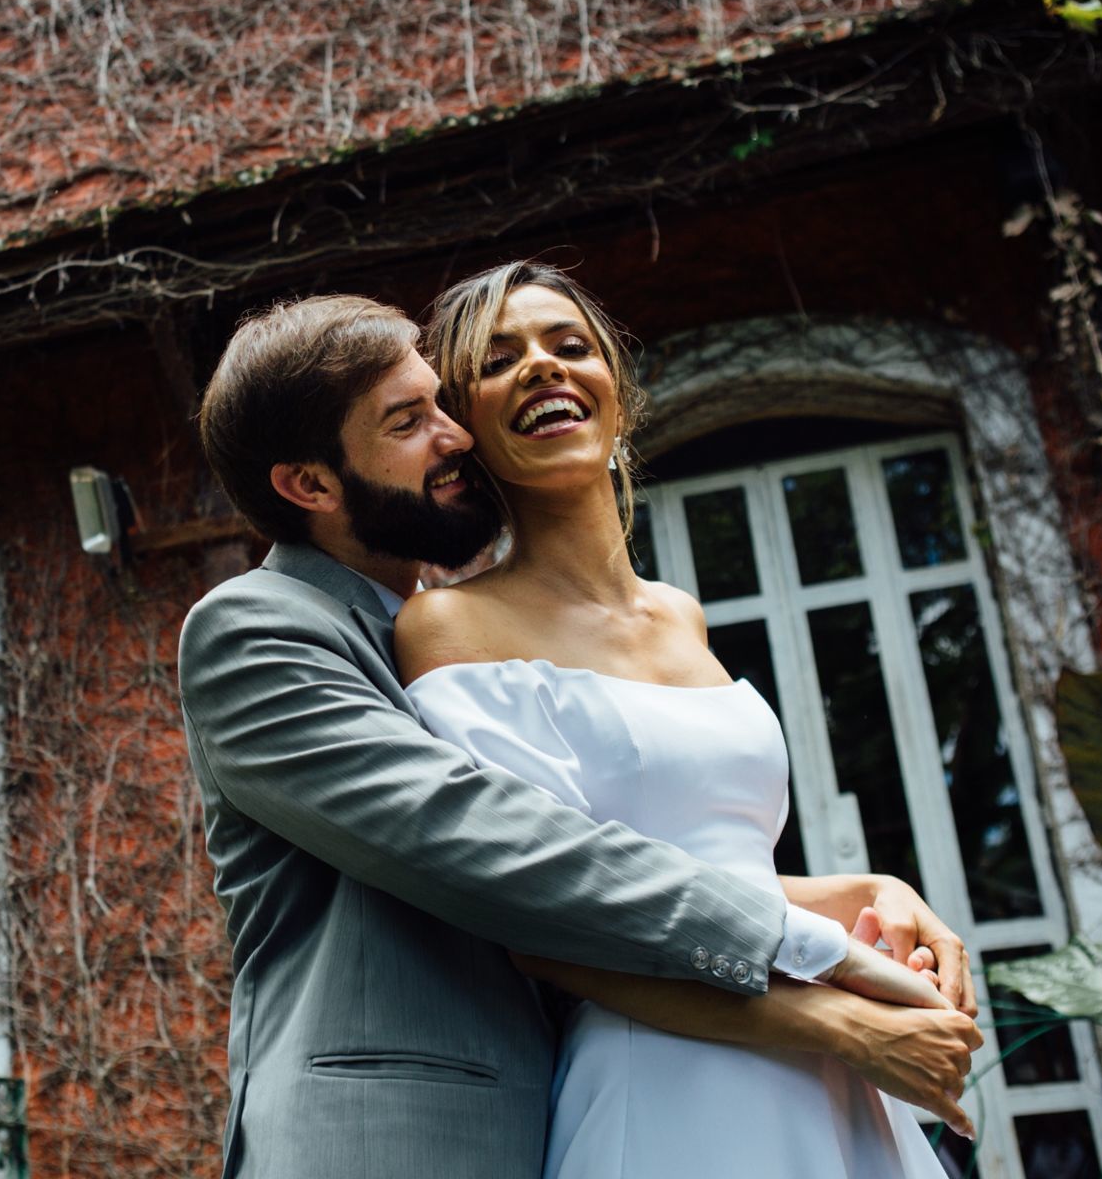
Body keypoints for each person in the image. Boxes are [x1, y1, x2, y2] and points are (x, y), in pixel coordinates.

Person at [178, 293, 981, 1179]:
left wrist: (859, 891)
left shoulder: (436, 620)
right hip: (389, 1136)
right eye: (411, 421)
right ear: (312, 485)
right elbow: (487, 840)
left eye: (444, 406)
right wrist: (820, 969)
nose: (454, 438)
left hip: (578, 1097)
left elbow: (635, 853)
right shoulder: (255, 629)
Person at [401, 259, 973, 1177]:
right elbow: (548, 924)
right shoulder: (454, 626)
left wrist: (868, 891)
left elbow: (702, 872)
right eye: (500, 360)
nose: (543, 367)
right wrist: (847, 1026)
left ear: (615, 392)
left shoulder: (681, 615)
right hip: (667, 1077)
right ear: (463, 427)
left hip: (824, 1074)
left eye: (569, 345)